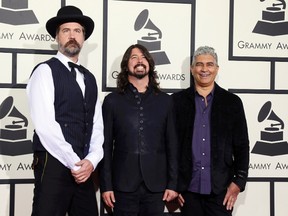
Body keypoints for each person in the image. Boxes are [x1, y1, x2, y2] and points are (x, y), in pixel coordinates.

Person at [26, 5, 104, 216]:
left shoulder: (89, 78)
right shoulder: (44, 71)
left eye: (77, 31)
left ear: (83, 38)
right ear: (57, 37)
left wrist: (92, 160)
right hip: (53, 163)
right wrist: (75, 163)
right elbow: (45, 125)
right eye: (66, 30)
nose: (72, 36)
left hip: (84, 167)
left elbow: (97, 124)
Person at [100, 44, 178, 216]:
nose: (139, 60)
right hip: (122, 186)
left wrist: (173, 184)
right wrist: (106, 186)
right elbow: (105, 147)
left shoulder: (165, 101)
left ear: (149, 63)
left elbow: (172, 145)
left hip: (156, 186)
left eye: (143, 57)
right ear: (126, 65)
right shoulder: (112, 101)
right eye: (134, 57)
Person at [172, 46, 249, 216]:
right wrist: (174, 184)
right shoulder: (176, 102)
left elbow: (242, 146)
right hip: (188, 191)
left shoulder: (232, 102)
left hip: (221, 191)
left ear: (217, 69)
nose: (204, 69)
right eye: (199, 64)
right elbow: (170, 146)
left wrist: (239, 181)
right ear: (192, 69)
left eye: (209, 64)